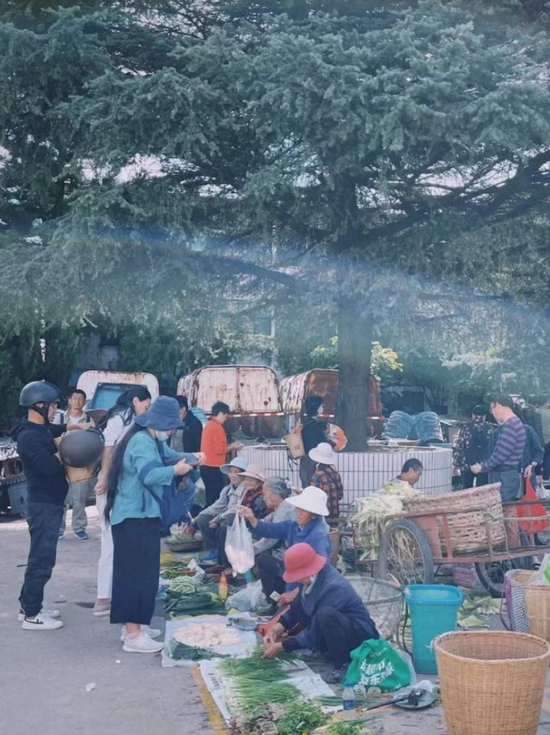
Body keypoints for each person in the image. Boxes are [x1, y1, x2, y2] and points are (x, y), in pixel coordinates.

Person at [105, 396, 200, 653]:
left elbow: (172, 456)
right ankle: (133, 635)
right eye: (170, 427)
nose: (171, 432)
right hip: (133, 518)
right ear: (158, 422)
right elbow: (149, 475)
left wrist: (193, 457)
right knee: (135, 576)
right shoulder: (142, 442)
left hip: (142, 516)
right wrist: (176, 471)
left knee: (143, 574)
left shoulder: (153, 440)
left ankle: (134, 627)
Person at [15, 381, 83, 630]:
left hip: (49, 503)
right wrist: (68, 447)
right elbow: (49, 466)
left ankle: (27, 606)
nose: (55, 410)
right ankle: (32, 615)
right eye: (52, 406)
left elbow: (54, 429)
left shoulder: (39, 428)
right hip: (43, 506)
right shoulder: (29, 437)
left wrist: (71, 427)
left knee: (39, 558)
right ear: (39, 406)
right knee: (42, 561)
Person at [262, 543, 379, 681]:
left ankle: (344, 665)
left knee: (325, 615)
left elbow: (314, 630)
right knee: (314, 611)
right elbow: (299, 605)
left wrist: (282, 646)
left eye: (300, 575)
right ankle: (326, 651)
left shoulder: (333, 586)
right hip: (339, 629)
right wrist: (279, 626)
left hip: (359, 635)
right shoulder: (313, 579)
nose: (298, 579)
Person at [93, 386, 152, 618]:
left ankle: (113, 596)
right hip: (112, 487)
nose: (147, 408)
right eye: (146, 404)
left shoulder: (131, 419)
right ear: (136, 400)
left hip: (120, 486)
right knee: (110, 541)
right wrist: (106, 478)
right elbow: (108, 447)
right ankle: (103, 597)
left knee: (118, 542)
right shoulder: (121, 418)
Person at [238, 485, 332, 607]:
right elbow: (270, 529)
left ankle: (288, 603)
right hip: (293, 573)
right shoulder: (293, 526)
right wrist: (251, 517)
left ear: (314, 515)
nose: (298, 513)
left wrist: (296, 591)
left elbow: (321, 568)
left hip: (307, 582)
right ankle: (274, 602)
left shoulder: (318, 535)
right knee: (264, 561)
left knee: (291, 611)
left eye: (303, 511)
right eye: (298, 509)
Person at [471, 394, 527, 502]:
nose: (492, 413)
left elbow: (500, 455)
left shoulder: (511, 426)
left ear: (498, 405)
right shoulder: (515, 423)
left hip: (504, 477)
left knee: (503, 508)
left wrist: (482, 467)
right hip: (508, 475)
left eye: (491, 409)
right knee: (506, 508)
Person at [194, 457, 249, 564]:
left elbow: (235, 509)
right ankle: (213, 550)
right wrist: (198, 517)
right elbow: (217, 506)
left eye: (236, 472)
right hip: (225, 516)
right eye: (231, 472)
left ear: (243, 475)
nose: (232, 475)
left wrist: (218, 518)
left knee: (225, 522)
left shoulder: (246, 489)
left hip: (240, 518)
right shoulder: (227, 489)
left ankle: (224, 557)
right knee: (202, 519)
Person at [59, 388, 96, 540]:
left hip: (80, 462)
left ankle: (79, 527)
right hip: (61, 461)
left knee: (80, 497)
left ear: (84, 402)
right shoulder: (59, 418)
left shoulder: (89, 420)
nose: (77, 402)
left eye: (81, 399)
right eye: (75, 398)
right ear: (69, 400)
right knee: (59, 496)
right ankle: (58, 528)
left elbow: (94, 440)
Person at [200, 401, 243, 507]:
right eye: (225, 416)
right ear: (220, 414)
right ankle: (214, 516)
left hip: (205, 466)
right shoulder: (217, 428)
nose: (225, 419)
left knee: (209, 497)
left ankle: (207, 515)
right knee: (217, 498)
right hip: (214, 467)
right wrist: (233, 446)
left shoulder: (208, 425)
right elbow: (219, 450)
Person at [453, 406, 494, 489]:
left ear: (473, 415)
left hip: (466, 464)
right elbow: (493, 448)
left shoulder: (466, 428)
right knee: (482, 491)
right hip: (483, 465)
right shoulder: (490, 429)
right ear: (484, 416)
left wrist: (456, 464)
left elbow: (459, 446)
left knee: (466, 491)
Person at [309, 442, 344, 520]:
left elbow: (314, 498)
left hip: (322, 517)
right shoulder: (336, 474)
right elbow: (340, 496)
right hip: (334, 515)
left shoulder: (317, 476)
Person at [299, 396, 328, 488]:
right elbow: (318, 442)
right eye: (321, 406)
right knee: (312, 487)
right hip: (312, 461)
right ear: (316, 408)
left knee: (306, 486)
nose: (323, 407)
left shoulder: (306, 424)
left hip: (305, 461)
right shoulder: (314, 426)